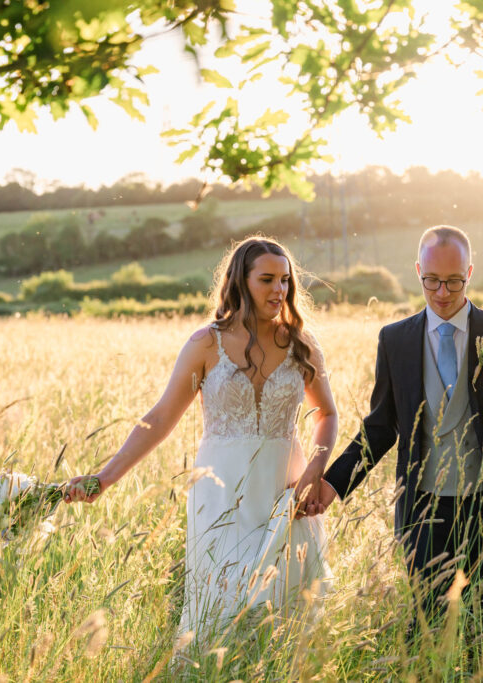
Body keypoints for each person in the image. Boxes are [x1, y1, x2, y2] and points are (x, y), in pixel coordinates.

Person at [302, 225, 483, 653]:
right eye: (432, 281)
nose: (442, 292)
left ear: (470, 273)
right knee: (426, 635)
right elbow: (381, 426)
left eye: (454, 281)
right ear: (418, 272)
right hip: (424, 511)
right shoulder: (395, 340)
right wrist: (332, 484)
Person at [64, 236, 336, 646]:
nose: (279, 290)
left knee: (284, 617)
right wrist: (104, 479)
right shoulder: (206, 344)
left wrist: (315, 472)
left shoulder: (302, 342)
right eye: (267, 280)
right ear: (239, 282)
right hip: (220, 496)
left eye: (285, 280)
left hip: (286, 495)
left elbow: (328, 415)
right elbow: (159, 419)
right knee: (221, 612)